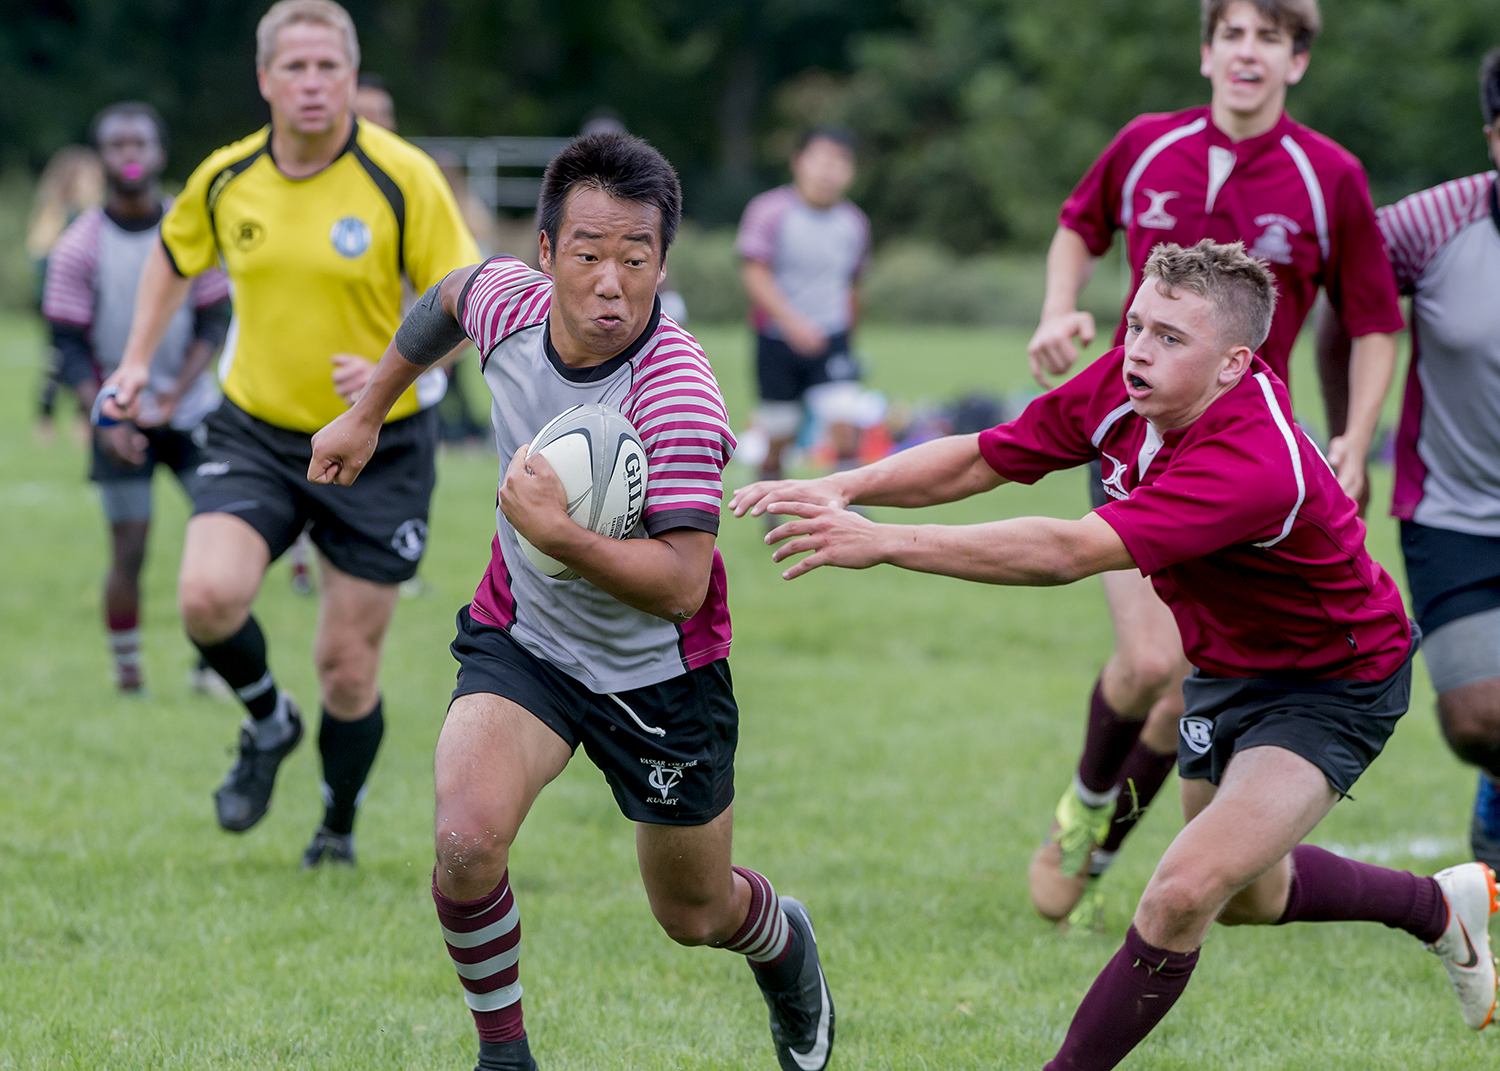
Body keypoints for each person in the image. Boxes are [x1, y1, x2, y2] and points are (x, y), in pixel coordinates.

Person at [734, 238, 1497, 1066]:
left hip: (1333, 679)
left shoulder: (1253, 461)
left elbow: (1064, 551)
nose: (1138, 349)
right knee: (1248, 896)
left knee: (1180, 893)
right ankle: (1437, 907)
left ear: (1235, 363)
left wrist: (882, 542)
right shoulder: (1125, 385)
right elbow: (988, 456)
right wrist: (848, 483)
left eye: (1171, 337)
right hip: (1225, 665)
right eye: (1137, 323)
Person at [308, 132, 834, 1071]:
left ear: (663, 265)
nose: (610, 283)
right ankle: (504, 1057)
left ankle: (783, 942)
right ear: (545, 252)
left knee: (694, 912)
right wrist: (370, 406)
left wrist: (561, 537)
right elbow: (444, 301)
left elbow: (679, 585)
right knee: (466, 839)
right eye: (587, 254)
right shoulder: (508, 302)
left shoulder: (678, 395)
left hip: (660, 676)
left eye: (636, 260)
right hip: (530, 640)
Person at [1020, 0, 1403, 931]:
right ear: (1206, 52)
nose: (1248, 51)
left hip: (1244, 470)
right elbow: (1079, 226)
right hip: (1137, 441)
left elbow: (1374, 319)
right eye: (1232, 32)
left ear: (1295, 63)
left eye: (1270, 37)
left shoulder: (1329, 177)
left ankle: (1111, 838)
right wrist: (1058, 308)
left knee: (1192, 668)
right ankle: (1087, 808)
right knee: (1149, 658)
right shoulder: (1148, 146)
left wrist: (1355, 433)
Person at [100, 0, 480, 867]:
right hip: (259, 431)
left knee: (347, 664)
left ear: (351, 78)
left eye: (330, 68)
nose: (313, 85)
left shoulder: (403, 176)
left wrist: (397, 376)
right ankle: (269, 721)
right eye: (296, 68)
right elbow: (173, 250)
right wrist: (132, 362)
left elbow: (465, 295)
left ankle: (336, 825)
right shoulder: (229, 177)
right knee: (204, 596)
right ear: (265, 78)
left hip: (380, 446)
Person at [1316, 48, 1500, 875]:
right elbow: (1347, 305)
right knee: (1476, 718)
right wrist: (1345, 431)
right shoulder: (1429, 224)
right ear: (1494, 138)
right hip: (1453, 510)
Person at [42, 102, 232, 694]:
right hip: (116, 416)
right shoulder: (79, 246)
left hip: (192, 407)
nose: (130, 155)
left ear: (159, 153)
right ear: (101, 159)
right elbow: (67, 344)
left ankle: (210, 666)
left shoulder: (191, 228)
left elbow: (214, 319)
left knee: (223, 534)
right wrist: (102, 414)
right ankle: (129, 674)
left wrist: (175, 393)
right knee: (130, 546)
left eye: (140, 144)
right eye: (117, 145)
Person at [737, 127, 870, 485]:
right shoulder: (769, 211)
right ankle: (769, 495)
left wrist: (850, 337)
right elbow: (754, 274)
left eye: (840, 162)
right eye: (821, 160)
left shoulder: (854, 223)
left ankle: (846, 506)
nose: (830, 171)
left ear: (851, 172)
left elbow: (853, 285)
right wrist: (792, 322)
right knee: (781, 433)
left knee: (845, 423)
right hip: (778, 339)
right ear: (799, 163)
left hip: (832, 338)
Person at [28, 144, 104, 439]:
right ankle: (46, 420)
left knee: (85, 358)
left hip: (90, 301)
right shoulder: (59, 216)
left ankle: (82, 419)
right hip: (58, 304)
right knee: (57, 361)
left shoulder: (94, 215)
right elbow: (39, 255)